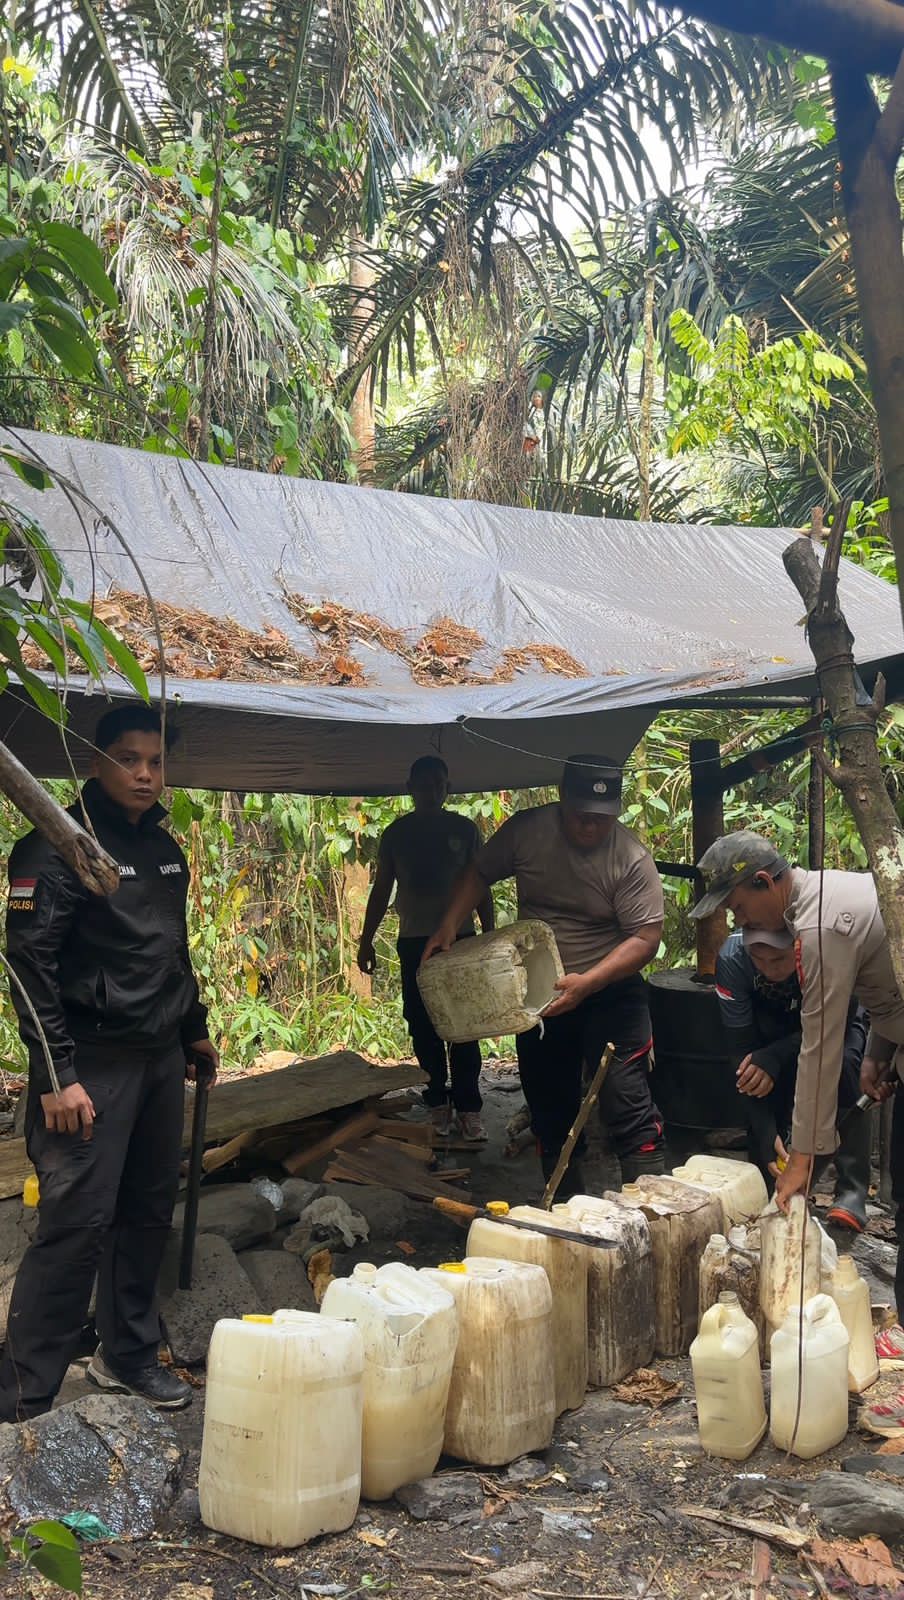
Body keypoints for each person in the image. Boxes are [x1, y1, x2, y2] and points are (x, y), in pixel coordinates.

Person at [0, 705, 217, 1422]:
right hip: (88, 1064)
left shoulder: (164, 850)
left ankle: (125, 1355)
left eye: (156, 762)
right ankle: (26, 1389)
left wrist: (194, 1030)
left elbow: (171, 951)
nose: (146, 775)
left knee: (147, 1210)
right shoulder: (54, 849)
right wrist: (58, 1076)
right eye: (130, 759)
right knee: (77, 1221)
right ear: (96, 761)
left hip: (156, 1059)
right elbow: (27, 967)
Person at [692, 829, 904, 1436]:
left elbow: (819, 1042)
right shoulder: (823, 903)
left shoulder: (818, 926)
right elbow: (890, 986)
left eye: (735, 906)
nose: (736, 920)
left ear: (764, 883)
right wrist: (882, 1052)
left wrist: (802, 1161)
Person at [422, 754, 665, 1194]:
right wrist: (447, 925)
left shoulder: (630, 859)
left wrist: (590, 981)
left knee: (624, 1099)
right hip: (541, 992)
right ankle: (566, 1209)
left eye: (601, 819)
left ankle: (657, 1208)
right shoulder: (526, 832)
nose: (590, 827)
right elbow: (479, 871)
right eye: (580, 817)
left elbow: (646, 938)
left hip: (610, 989)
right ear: (561, 800)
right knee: (550, 1105)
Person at [357, 755, 493, 1140]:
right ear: (410, 788)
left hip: (461, 941)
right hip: (414, 939)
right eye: (424, 784)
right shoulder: (397, 834)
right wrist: (366, 940)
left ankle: (468, 1107)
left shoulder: (464, 829)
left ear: (447, 788)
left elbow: (480, 884)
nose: (431, 791)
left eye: (438, 784)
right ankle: (437, 1103)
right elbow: (382, 889)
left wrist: (489, 935)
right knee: (422, 1023)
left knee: (465, 1024)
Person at [715, 924, 870, 1228]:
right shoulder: (732, 959)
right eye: (760, 961)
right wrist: (764, 1130)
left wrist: (776, 1055)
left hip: (833, 1023)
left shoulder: (826, 950)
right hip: (771, 1024)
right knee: (756, 1074)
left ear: (798, 948)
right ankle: (772, 1166)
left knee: (846, 1068)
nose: (770, 969)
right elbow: (740, 1050)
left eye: (779, 960)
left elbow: (836, 1023)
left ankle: (852, 1188)